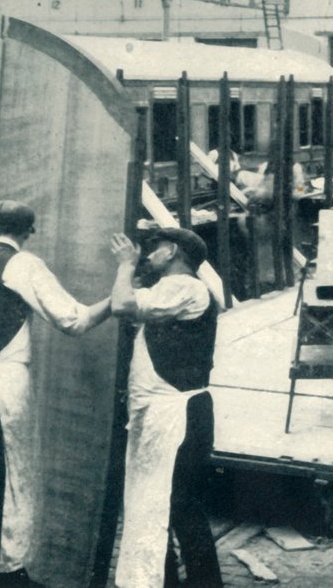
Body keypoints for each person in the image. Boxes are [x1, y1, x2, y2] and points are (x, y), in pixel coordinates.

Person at [0, 200, 113, 588]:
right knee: (11, 478)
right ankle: (8, 573)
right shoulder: (23, 264)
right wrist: (115, 303)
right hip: (1, 384)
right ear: (27, 232)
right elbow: (73, 320)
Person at [110, 228, 222, 588]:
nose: (148, 255)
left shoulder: (185, 287)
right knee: (161, 504)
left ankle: (204, 584)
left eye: (155, 248)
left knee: (180, 504)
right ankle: (166, 581)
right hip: (166, 412)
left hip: (177, 413)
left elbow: (122, 305)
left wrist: (125, 266)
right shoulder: (170, 290)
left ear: (173, 250)